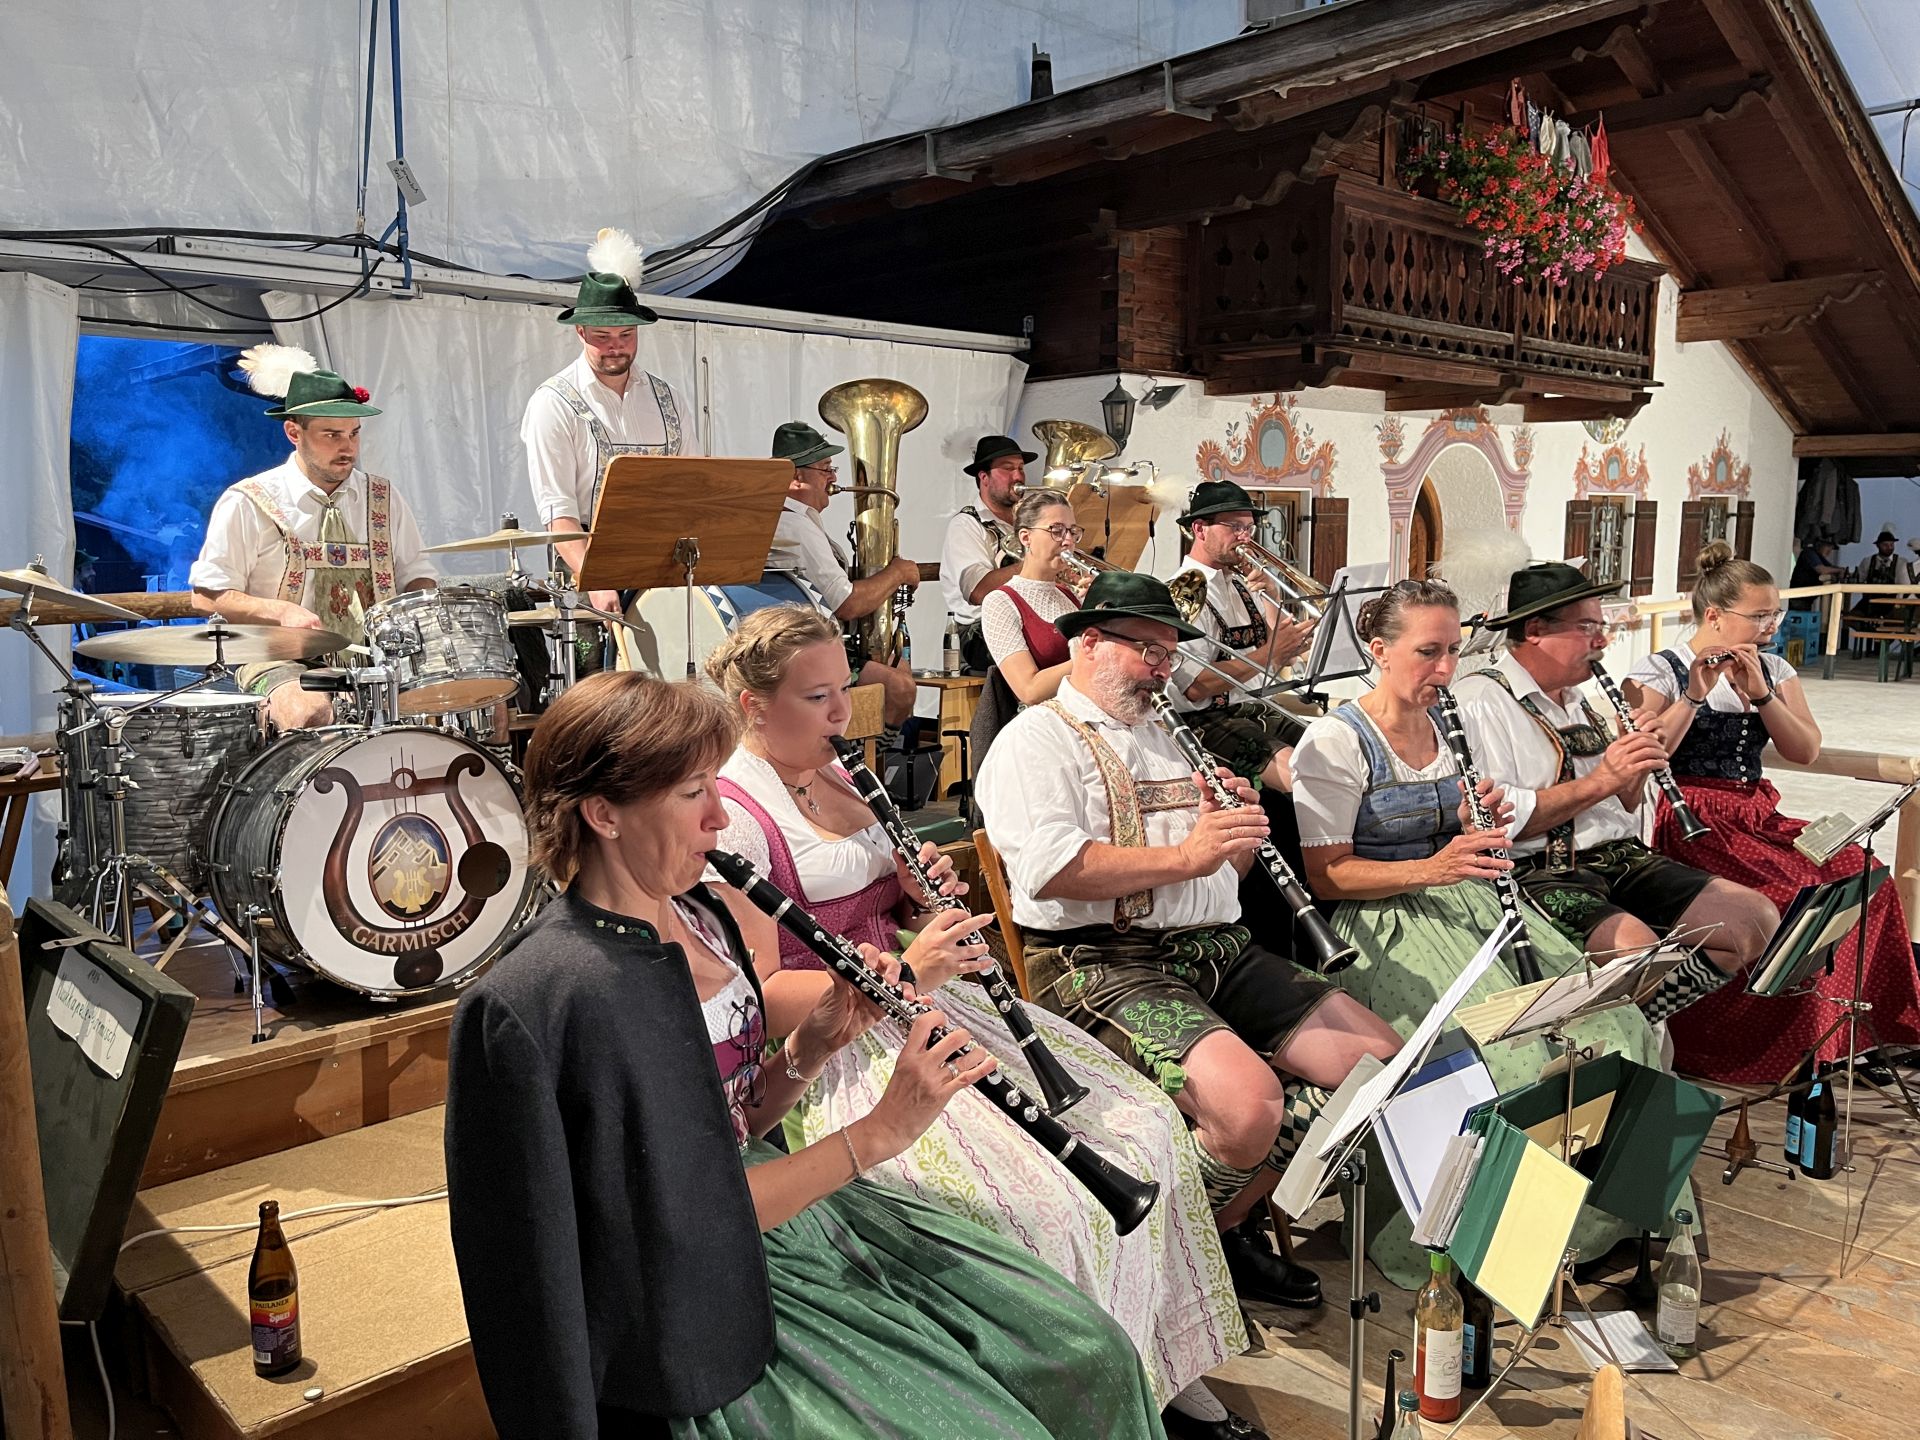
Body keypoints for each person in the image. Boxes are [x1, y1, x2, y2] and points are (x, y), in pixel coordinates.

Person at [446, 671, 1164, 1439]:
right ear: (603, 814)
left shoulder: (701, 915)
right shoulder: (559, 992)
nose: (721, 816)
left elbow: (738, 1121)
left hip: (790, 1212)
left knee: (1090, 1351)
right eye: (692, 793)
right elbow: (684, 1219)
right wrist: (881, 1131)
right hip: (697, 1295)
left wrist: (814, 1044)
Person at [704, 605, 1256, 1438]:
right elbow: (763, 990)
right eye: (817, 698)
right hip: (842, 1044)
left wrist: (919, 898)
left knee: (1146, 1125)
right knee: (1043, 1199)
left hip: (928, 1001)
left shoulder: (839, 772)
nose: (843, 713)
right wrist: (905, 972)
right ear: (753, 706)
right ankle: (1064, 1387)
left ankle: (1158, 1362)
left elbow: (895, 912)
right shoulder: (737, 814)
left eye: (843, 690)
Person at [976, 570, 1404, 1317]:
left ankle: (1219, 1227)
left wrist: (1234, 842)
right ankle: (1175, 1253)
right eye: (1147, 650)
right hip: (1098, 963)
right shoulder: (1035, 740)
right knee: (1248, 1107)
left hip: (1212, 949)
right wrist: (1188, 854)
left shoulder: (1171, 737)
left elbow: (1218, 878)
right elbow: (1051, 871)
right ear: (1089, 643)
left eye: (1169, 653)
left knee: (1377, 1064)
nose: (1162, 669)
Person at [1291, 580, 1672, 1287]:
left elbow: (1498, 819)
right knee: (1502, 1058)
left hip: (1474, 906)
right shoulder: (1337, 739)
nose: (1445, 670)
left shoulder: (1449, 726)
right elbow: (1327, 874)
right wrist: (1433, 866)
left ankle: (1593, 1224)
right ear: (1378, 651)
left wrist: (1476, 823)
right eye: (1428, 653)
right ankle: (1481, 1237)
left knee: (1617, 1025)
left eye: (1454, 652)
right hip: (1387, 924)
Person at [1624, 542, 1920, 1084]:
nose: (1770, 626)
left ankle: (1845, 1036)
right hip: (1691, 817)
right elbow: (1645, 756)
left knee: (1861, 878)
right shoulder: (1661, 670)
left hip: (1757, 813)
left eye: (1775, 615)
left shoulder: (1774, 668)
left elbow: (1804, 749)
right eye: (1759, 615)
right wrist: (1694, 694)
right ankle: (1767, 1046)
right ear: (1715, 616)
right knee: (1795, 897)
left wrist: (1762, 695)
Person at [1451, 562, 1779, 1022]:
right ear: (1535, 630)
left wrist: (1636, 762)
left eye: (1601, 627)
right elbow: (1502, 822)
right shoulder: (1481, 700)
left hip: (1618, 855)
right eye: (1587, 628)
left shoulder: (1576, 697)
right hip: (1538, 870)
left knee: (1754, 920)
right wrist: (1605, 776)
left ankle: (1642, 1021)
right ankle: (1624, 1032)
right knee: (1636, 953)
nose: (1602, 641)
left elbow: (1624, 803)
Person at [189, 346, 434, 730]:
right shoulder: (248, 501)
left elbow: (418, 576)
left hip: (379, 659)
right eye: (332, 435)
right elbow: (207, 595)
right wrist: (281, 612)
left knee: (476, 694)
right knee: (309, 711)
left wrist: (416, 624)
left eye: (354, 434)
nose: (348, 447)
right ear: (293, 432)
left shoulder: (384, 497)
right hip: (277, 658)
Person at [521, 229, 698, 620]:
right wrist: (596, 579)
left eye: (626, 334)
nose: (616, 346)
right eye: (602, 336)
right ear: (580, 332)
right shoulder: (552, 403)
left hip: (664, 568)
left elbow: (692, 487)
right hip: (586, 569)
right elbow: (558, 511)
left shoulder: (669, 398)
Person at [764, 421, 922, 728]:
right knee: (900, 688)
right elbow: (846, 603)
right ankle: (874, 753)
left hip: (813, 643)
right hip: (806, 651)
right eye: (825, 469)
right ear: (795, 477)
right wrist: (897, 572)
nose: (834, 478)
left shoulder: (799, 521)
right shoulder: (794, 525)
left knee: (900, 669)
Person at [1168, 482, 1317, 791]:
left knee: (1335, 754)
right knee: (1304, 778)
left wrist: (1274, 598)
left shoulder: (1241, 584)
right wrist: (1272, 653)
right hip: (1207, 721)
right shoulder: (1183, 591)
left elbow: (1280, 658)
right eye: (1235, 527)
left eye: (1249, 528)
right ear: (1200, 529)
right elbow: (1195, 687)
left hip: (1256, 708)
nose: (1245, 537)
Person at [980, 489, 1085, 704]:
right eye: (1056, 530)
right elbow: (1029, 691)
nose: (1068, 541)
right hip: (1041, 719)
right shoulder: (1000, 602)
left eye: (1072, 531)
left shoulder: (1071, 596)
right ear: (1026, 537)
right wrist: (1092, 656)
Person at [942, 435, 1033, 671]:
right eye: (1008, 468)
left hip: (1021, 621)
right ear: (984, 477)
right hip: (977, 634)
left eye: (1021, 468)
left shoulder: (1028, 522)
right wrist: (1036, 563)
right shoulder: (966, 525)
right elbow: (978, 590)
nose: (1018, 476)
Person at [1787, 538, 1842, 611]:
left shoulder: (1820, 558)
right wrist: (1840, 570)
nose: (1829, 551)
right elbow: (1821, 570)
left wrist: (1841, 571)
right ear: (1819, 544)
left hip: (1805, 601)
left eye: (1831, 548)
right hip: (1796, 599)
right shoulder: (1809, 553)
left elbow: (1831, 568)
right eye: (1828, 546)